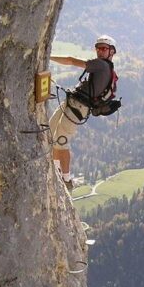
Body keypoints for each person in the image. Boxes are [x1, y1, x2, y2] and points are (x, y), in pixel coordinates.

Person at [47, 35, 117, 190]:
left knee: (61, 141)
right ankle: (56, 167)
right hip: (73, 102)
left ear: (111, 51)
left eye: (104, 48)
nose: (99, 51)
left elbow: (71, 60)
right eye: (98, 48)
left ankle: (66, 179)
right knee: (50, 130)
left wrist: (47, 56)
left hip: (78, 107)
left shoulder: (101, 65)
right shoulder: (106, 67)